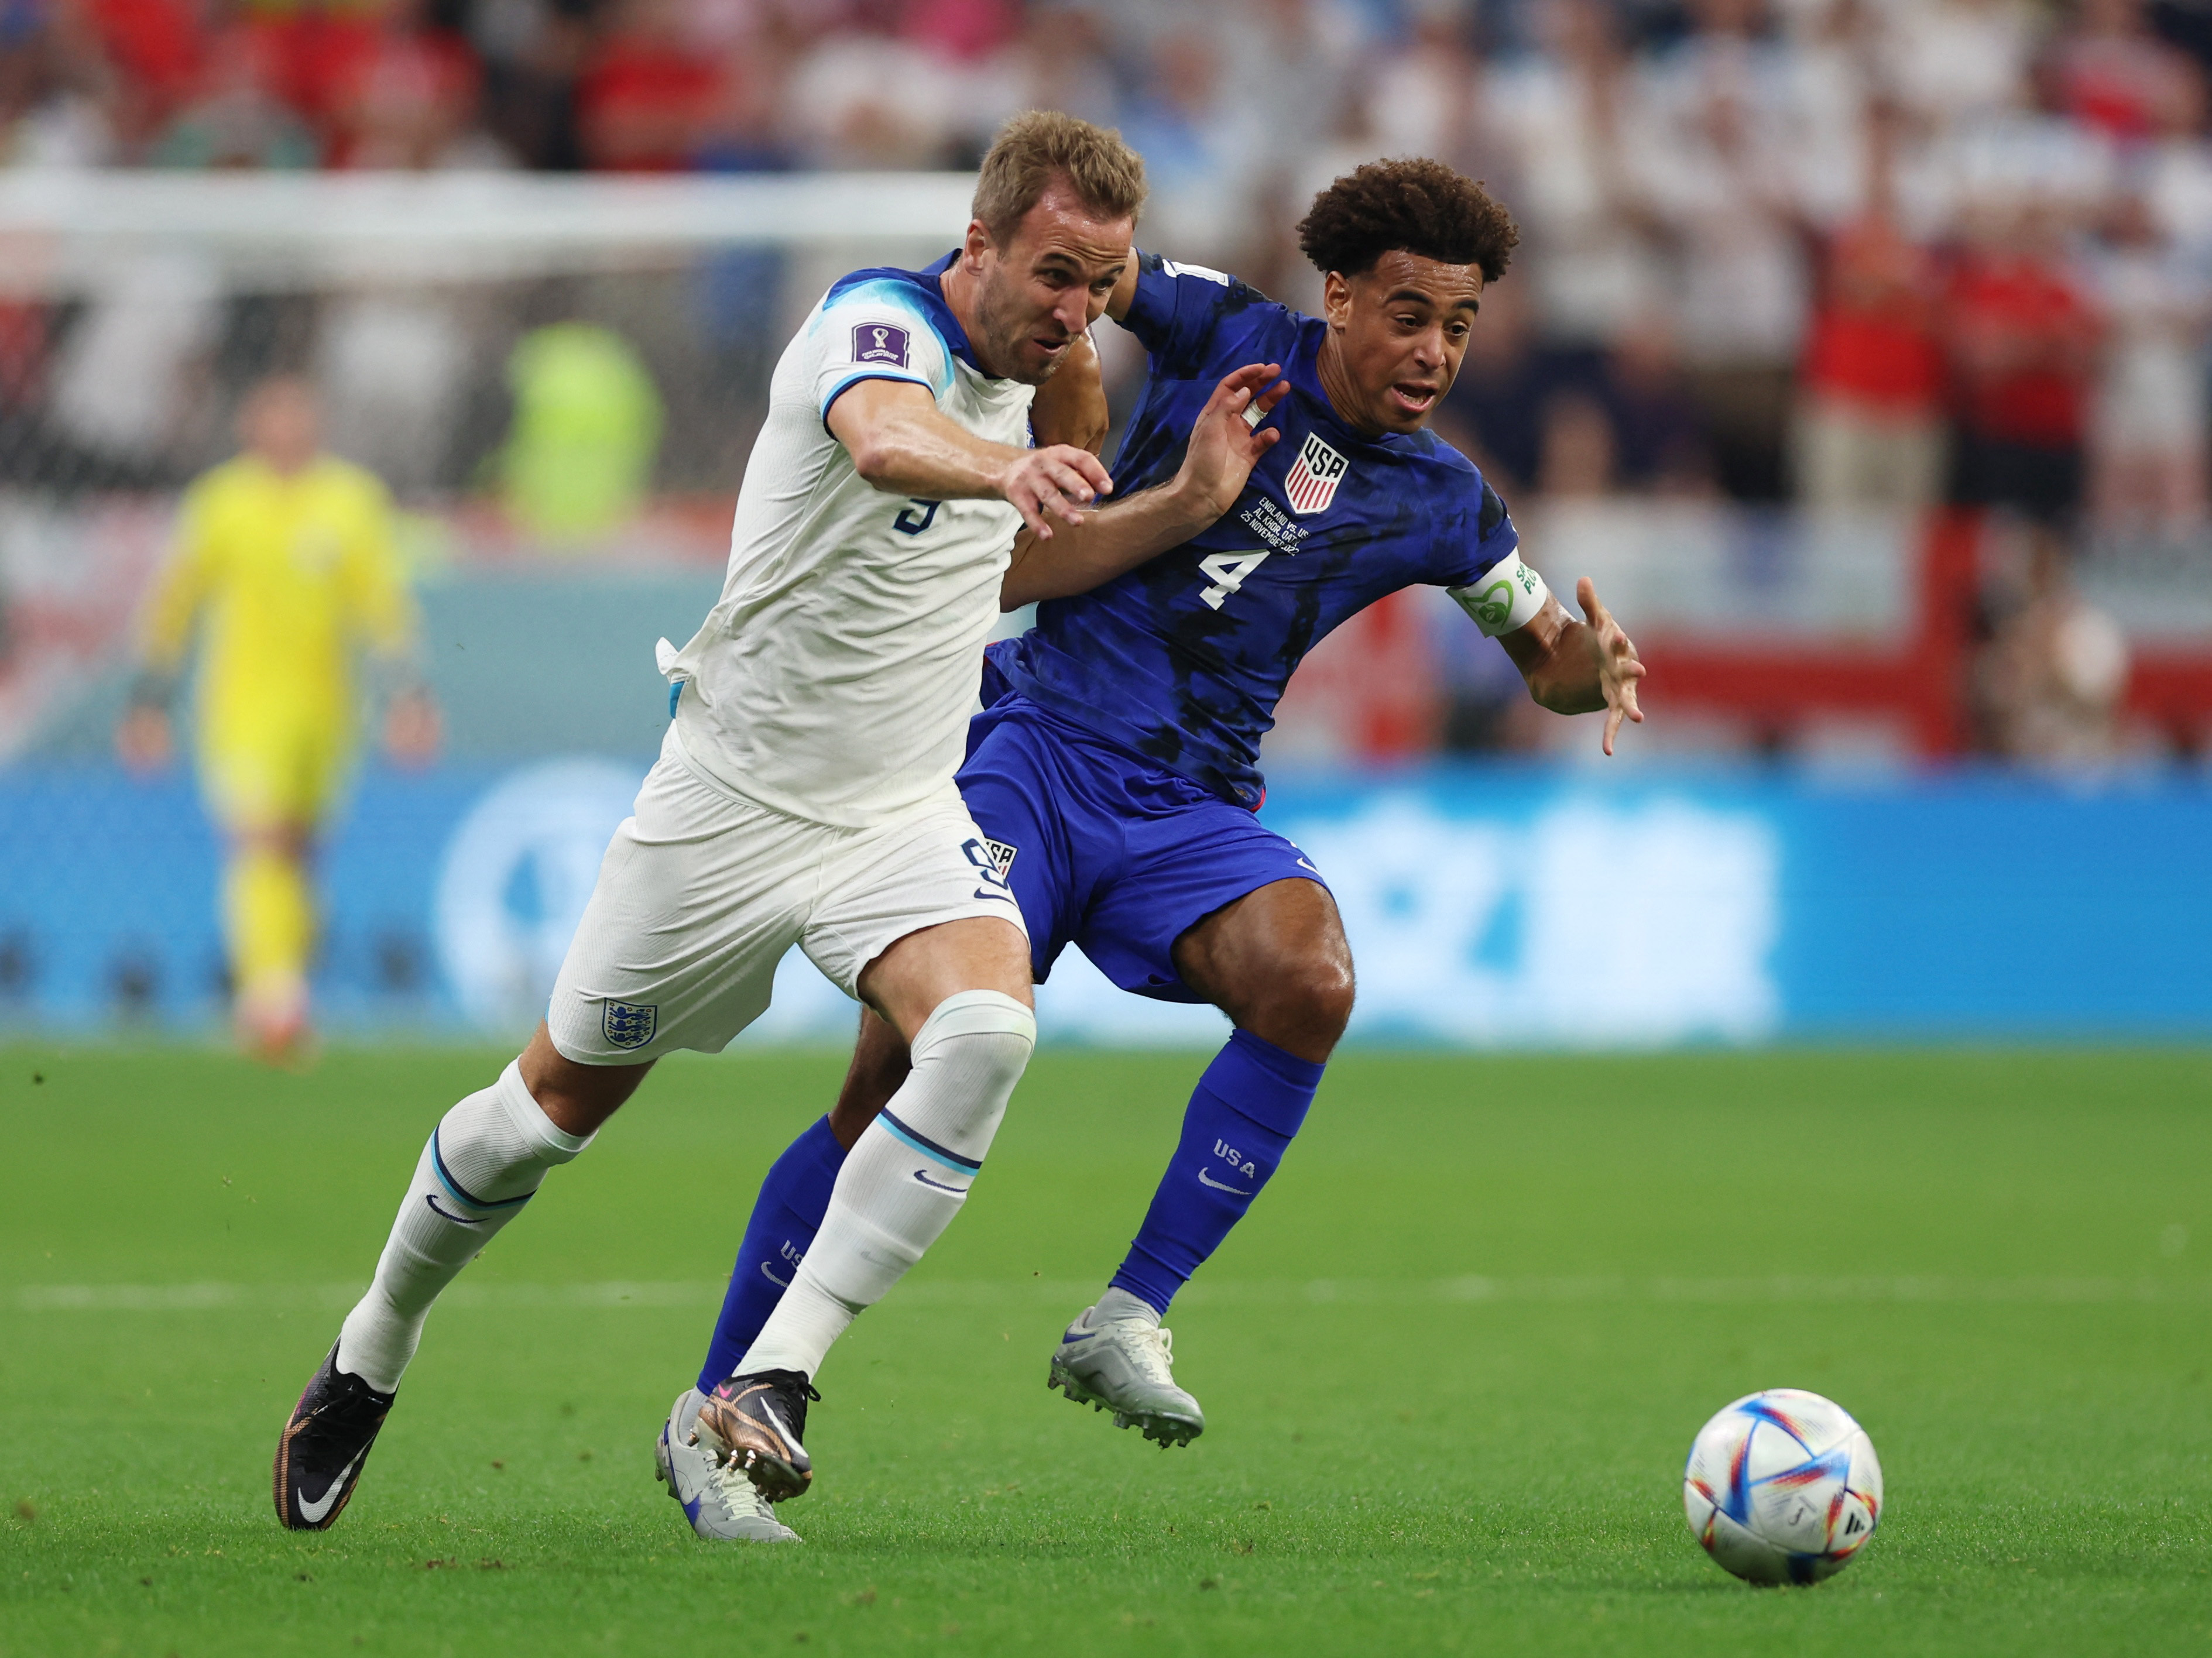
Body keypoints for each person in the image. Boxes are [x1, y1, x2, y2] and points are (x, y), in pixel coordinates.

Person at [270, 109, 1289, 1536]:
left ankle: (764, 1382)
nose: (1075, 313)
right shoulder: (868, 325)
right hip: (730, 803)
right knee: (540, 1116)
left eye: (1101, 286)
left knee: (987, 1029)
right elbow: (882, 446)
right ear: (978, 240)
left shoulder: (1061, 386)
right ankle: (373, 1349)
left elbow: (1020, 570)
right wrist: (1003, 468)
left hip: (893, 811)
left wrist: (1180, 500)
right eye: (1053, 273)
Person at [661, 157, 1648, 1544]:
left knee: (1308, 980)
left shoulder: (1441, 498)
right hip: (1034, 747)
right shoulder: (1226, 328)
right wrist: (1057, 389)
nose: (1432, 350)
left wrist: (1590, 665)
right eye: (1408, 313)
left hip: (1188, 808)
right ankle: (718, 1406)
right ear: (1339, 294)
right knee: (893, 1071)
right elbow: (1087, 273)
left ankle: (1124, 1312)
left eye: (1459, 326)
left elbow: (1536, 646)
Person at [118, 374, 438, 1058]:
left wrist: (408, 695)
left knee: (300, 853)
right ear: (250, 426)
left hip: (327, 708)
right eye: (274, 416)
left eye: (299, 416)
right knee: (260, 840)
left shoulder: (350, 500)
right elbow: (175, 603)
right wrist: (149, 700)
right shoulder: (223, 503)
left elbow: (382, 602)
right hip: (242, 706)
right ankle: (274, 998)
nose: (287, 429)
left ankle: (277, 990)